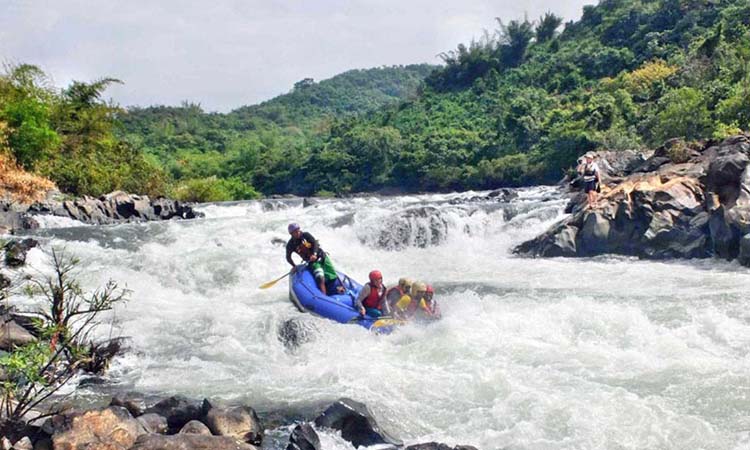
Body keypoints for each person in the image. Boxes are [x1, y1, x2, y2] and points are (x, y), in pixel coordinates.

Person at [285, 223, 340, 295]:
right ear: (291, 234)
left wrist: (314, 254)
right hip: (312, 262)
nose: (298, 232)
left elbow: (315, 243)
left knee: (332, 276)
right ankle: (324, 296)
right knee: (320, 278)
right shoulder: (290, 244)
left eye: (298, 230)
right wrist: (294, 266)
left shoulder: (306, 235)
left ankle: (336, 290)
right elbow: (288, 257)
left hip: (321, 256)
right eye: (295, 232)